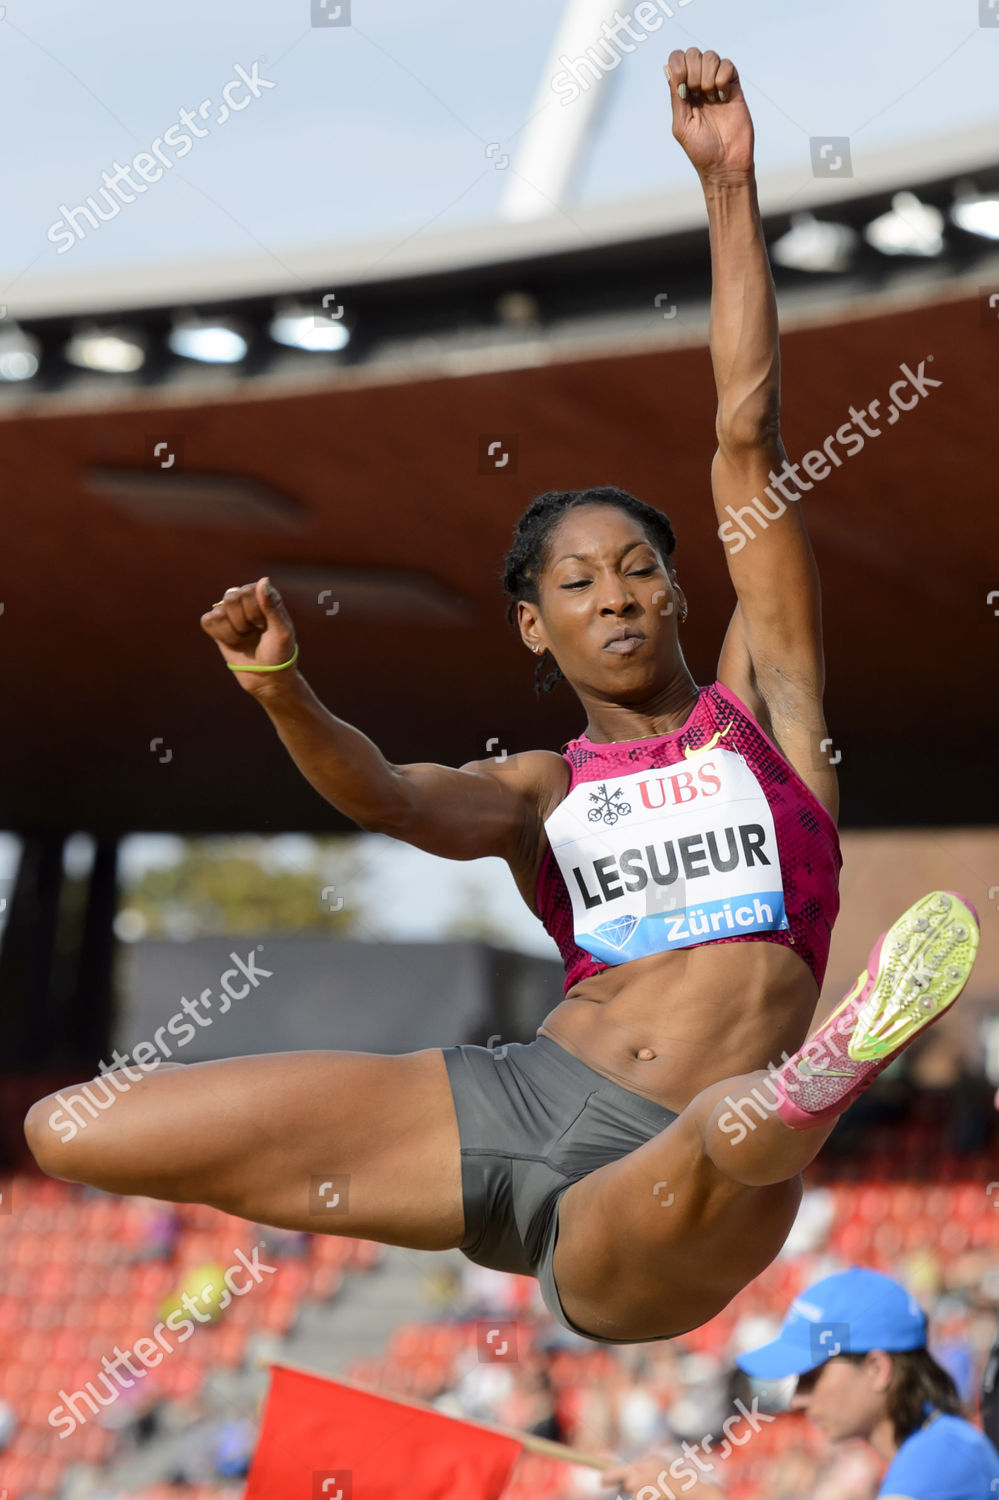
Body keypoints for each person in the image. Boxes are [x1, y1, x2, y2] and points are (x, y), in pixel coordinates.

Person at [23, 50, 980, 1347]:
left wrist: (729, 189)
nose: (618, 594)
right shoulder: (542, 787)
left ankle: (813, 1081)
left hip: (670, 1181)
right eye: (580, 582)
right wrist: (280, 687)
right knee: (65, 1128)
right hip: (514, 1098)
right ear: (534, 623)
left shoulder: (770, 719)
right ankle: (358, 1212)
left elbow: (742, 432)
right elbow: (384, 795)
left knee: (713, 1138)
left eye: (641, 567)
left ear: (681, 593)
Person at [732, 1267, 999, 1499]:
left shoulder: (941, 1455)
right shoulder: (937, 1447)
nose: (797, 1400)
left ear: (876, 1369)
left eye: (812, 1377)